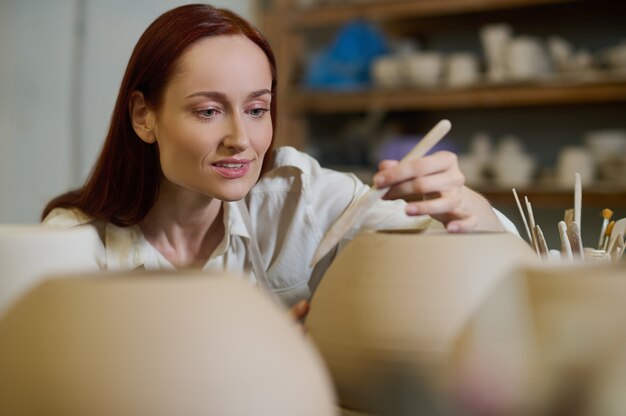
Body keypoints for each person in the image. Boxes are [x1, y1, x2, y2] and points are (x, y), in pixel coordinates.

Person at [42, 4, 516, 318]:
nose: (241, 140)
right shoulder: (74, 246)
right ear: (144, 116)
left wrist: (466, 208)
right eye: (208, 111)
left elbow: (497, 260)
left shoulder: (296, 197)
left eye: (256, 109)